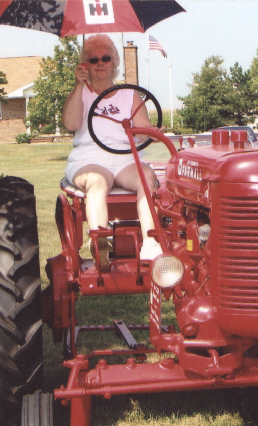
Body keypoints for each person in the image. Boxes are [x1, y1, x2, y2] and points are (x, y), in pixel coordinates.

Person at [61, 34, 163, 270]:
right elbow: (71, 124)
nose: (100, 63)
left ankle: (150, 242)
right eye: (93, 59)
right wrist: (78, 85)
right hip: (89, 159)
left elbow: (143, 130)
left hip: (125, 159)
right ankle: (100, 243)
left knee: (148, 178)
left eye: (105, 58)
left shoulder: (130, 93)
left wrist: (152, 132)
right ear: (85, 64)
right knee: (97, 182)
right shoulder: (81, 93)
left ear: (114, 62)